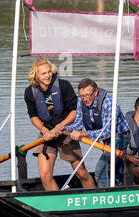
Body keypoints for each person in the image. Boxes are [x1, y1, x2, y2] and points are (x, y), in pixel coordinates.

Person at [23, 58, 92, 191]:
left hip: (66, 133)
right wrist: (44, 131)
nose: (48, 75)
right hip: (47, 135)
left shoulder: (64, 85)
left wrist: (61, 126)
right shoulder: (29, 92)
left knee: (81, 173)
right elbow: (33, 116)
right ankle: (58, 206)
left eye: (49, 72)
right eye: (43, 73)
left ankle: (94, 198)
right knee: (45, 175)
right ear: (35, 75)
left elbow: (74, 111)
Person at [67, 78, 134, 187]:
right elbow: (78, 124)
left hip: (120, 137)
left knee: (101, 173)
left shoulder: (108, 103)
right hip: (106, 140)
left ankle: (107, 200)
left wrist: (84, 134)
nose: (85, 99)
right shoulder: (80, 101)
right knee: (116, 172)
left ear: (96, 92)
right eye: (82, 96)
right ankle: (123, 190)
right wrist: (63, 128)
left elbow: (108, 132)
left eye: (88, 95)